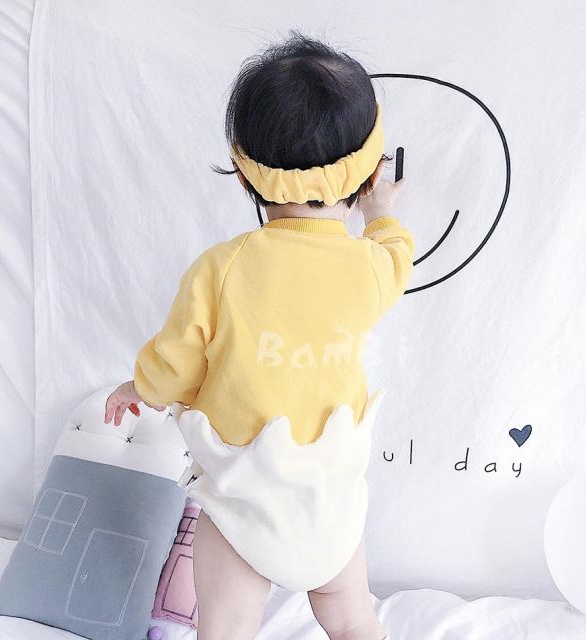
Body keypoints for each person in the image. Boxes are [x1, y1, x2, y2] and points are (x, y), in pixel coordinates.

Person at [105, 31, 414, 640]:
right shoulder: (369, 268)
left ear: (245, 175)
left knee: (226, 628)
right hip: (329, 506)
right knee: (354, 619)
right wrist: (381, 213)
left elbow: (176, 364)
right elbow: (396, 256)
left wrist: (140, 389)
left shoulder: (221, 270)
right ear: (367, 174)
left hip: (244, 504)